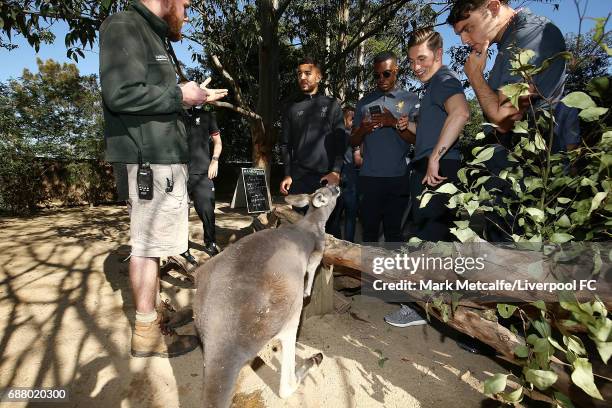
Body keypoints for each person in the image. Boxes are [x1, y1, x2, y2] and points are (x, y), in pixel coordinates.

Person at [100, 0, 227, 358]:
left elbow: (150, 96)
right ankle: (146, 332)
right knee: (147, 247)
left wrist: (191, 97)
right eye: (185, 5)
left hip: (162, 160)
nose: (186, 13)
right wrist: (180, 94)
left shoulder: (154, 37)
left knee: (153, 246)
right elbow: (119, 94)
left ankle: (152, 317)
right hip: (148, 162)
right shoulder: (125, 25)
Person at [447, 0, 567, 241]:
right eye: (460, 33)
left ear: (492, 7)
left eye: (468, 28)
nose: (464, 40)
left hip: (528, 180)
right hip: (509, 177)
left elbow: (503, 117)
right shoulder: (511, 40)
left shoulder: (530, 34)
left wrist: (474, 76)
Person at [384, 29, 470, 328]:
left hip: (438, 167)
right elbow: (430, 133)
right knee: (431, 238)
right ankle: (438, 308)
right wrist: (412, 127)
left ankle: (420, 309)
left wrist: (435, 156)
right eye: (412, 60)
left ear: (439, 55)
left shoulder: (445, 80)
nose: (416, 66)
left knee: (429, 239)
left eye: (422, 58)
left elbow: (461, 113)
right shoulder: (430, 88)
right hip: (427, 165)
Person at [350, 51, 419, 244]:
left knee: (394, 235)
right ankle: (370, 275)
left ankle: (391, 274)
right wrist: (363, 129)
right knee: (369, 234)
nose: (381, 79)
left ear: (396, 71)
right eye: (377, 75)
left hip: (398, 177)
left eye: (386, 74)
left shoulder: (411, 99)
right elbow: (353, 142)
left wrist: (392, 122)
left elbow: (416, 140)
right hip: (369, 178)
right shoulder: (364, 103)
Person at [279, 57, 346, 237]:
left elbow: (341, 141)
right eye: (299, 74)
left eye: (307, 73)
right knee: (299, 232)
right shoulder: (291, 109)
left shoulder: (332, 105)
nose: (302, 77)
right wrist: (287, 174)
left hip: (326, 179)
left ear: (319, 77)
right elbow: (285, 144)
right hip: (299, 179)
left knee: (329, 232)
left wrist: (336, 172)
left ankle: (328, 266)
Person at [185, 107, 222, 259]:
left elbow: (218, 142)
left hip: (203, 173)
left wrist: (214, 161)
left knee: (207, 209)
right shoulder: (174, 114)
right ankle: (181, 247)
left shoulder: (207, 115)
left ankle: (210, 242)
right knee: (178, 213)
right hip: (178, 173)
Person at [340, 108, 362, 242]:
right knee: (350, 215)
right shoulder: (353, 137)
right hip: (350, 179)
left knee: (334, 217)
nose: (354, 122)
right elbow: (358, 161)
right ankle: (348, 244)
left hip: (336, 178)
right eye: (352, 119)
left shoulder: (334, 135)